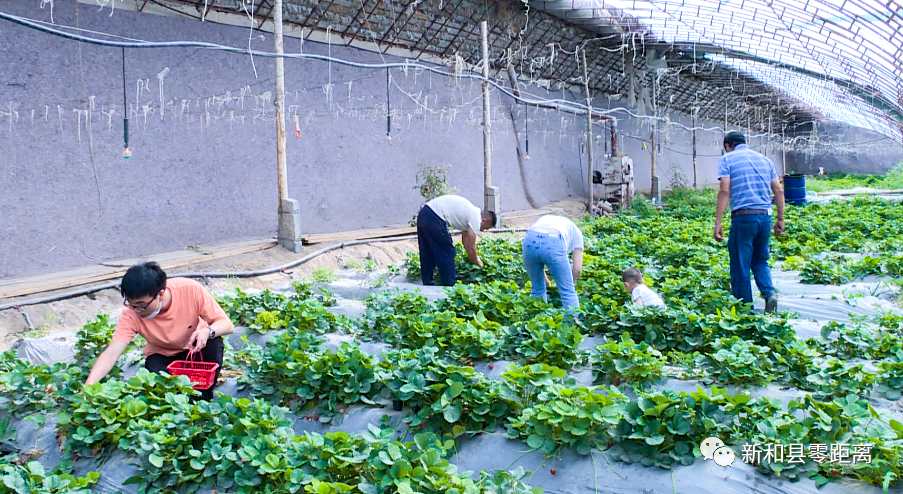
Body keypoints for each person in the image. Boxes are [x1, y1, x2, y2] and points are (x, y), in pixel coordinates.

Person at [84, 262, 234, 400]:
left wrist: (208, 331)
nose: (137, 310)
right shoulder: (131, 313)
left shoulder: (190, 290)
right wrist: (89, 384)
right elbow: (111, 354)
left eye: (141, 305)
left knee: (214, 345)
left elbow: (227, 325)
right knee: (162, 390)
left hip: (195, 349)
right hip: (162, 355)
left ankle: (204, 401)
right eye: (131, 304)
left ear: (160, 294)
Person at [714, 131, 785, 314]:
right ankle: (769, 294)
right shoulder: (765, 160)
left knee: (740, 264)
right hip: (765, 216)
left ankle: (746, 312)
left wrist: (718, 222)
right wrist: (780, 219)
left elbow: (724, 190)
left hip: (744, 217)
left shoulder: (728, 159)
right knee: (760, 259)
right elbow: (778, 190)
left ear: (728, 146)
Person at [417, 194, 496, 286]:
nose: (482, 230)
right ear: (485, 220)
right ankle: (450, 286)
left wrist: (471, 257)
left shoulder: (469, 213)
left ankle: (427, 282)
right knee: (447, 251)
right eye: (486, 228)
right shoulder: (476, 217)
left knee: (427, 251)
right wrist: (477, 262)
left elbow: (465, 242)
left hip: (424, 213)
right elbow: (471, 246)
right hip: (435, 217)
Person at [522, 215, 584, 309]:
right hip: (554, 240)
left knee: (537, 289)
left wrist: (547, 283)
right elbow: (577, 268)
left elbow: (539, 258)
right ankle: (572, 322)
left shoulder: (550, 220)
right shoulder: (577, 234)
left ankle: (538, 320)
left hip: (530, 238)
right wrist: (567, 282)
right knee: (568, 292)